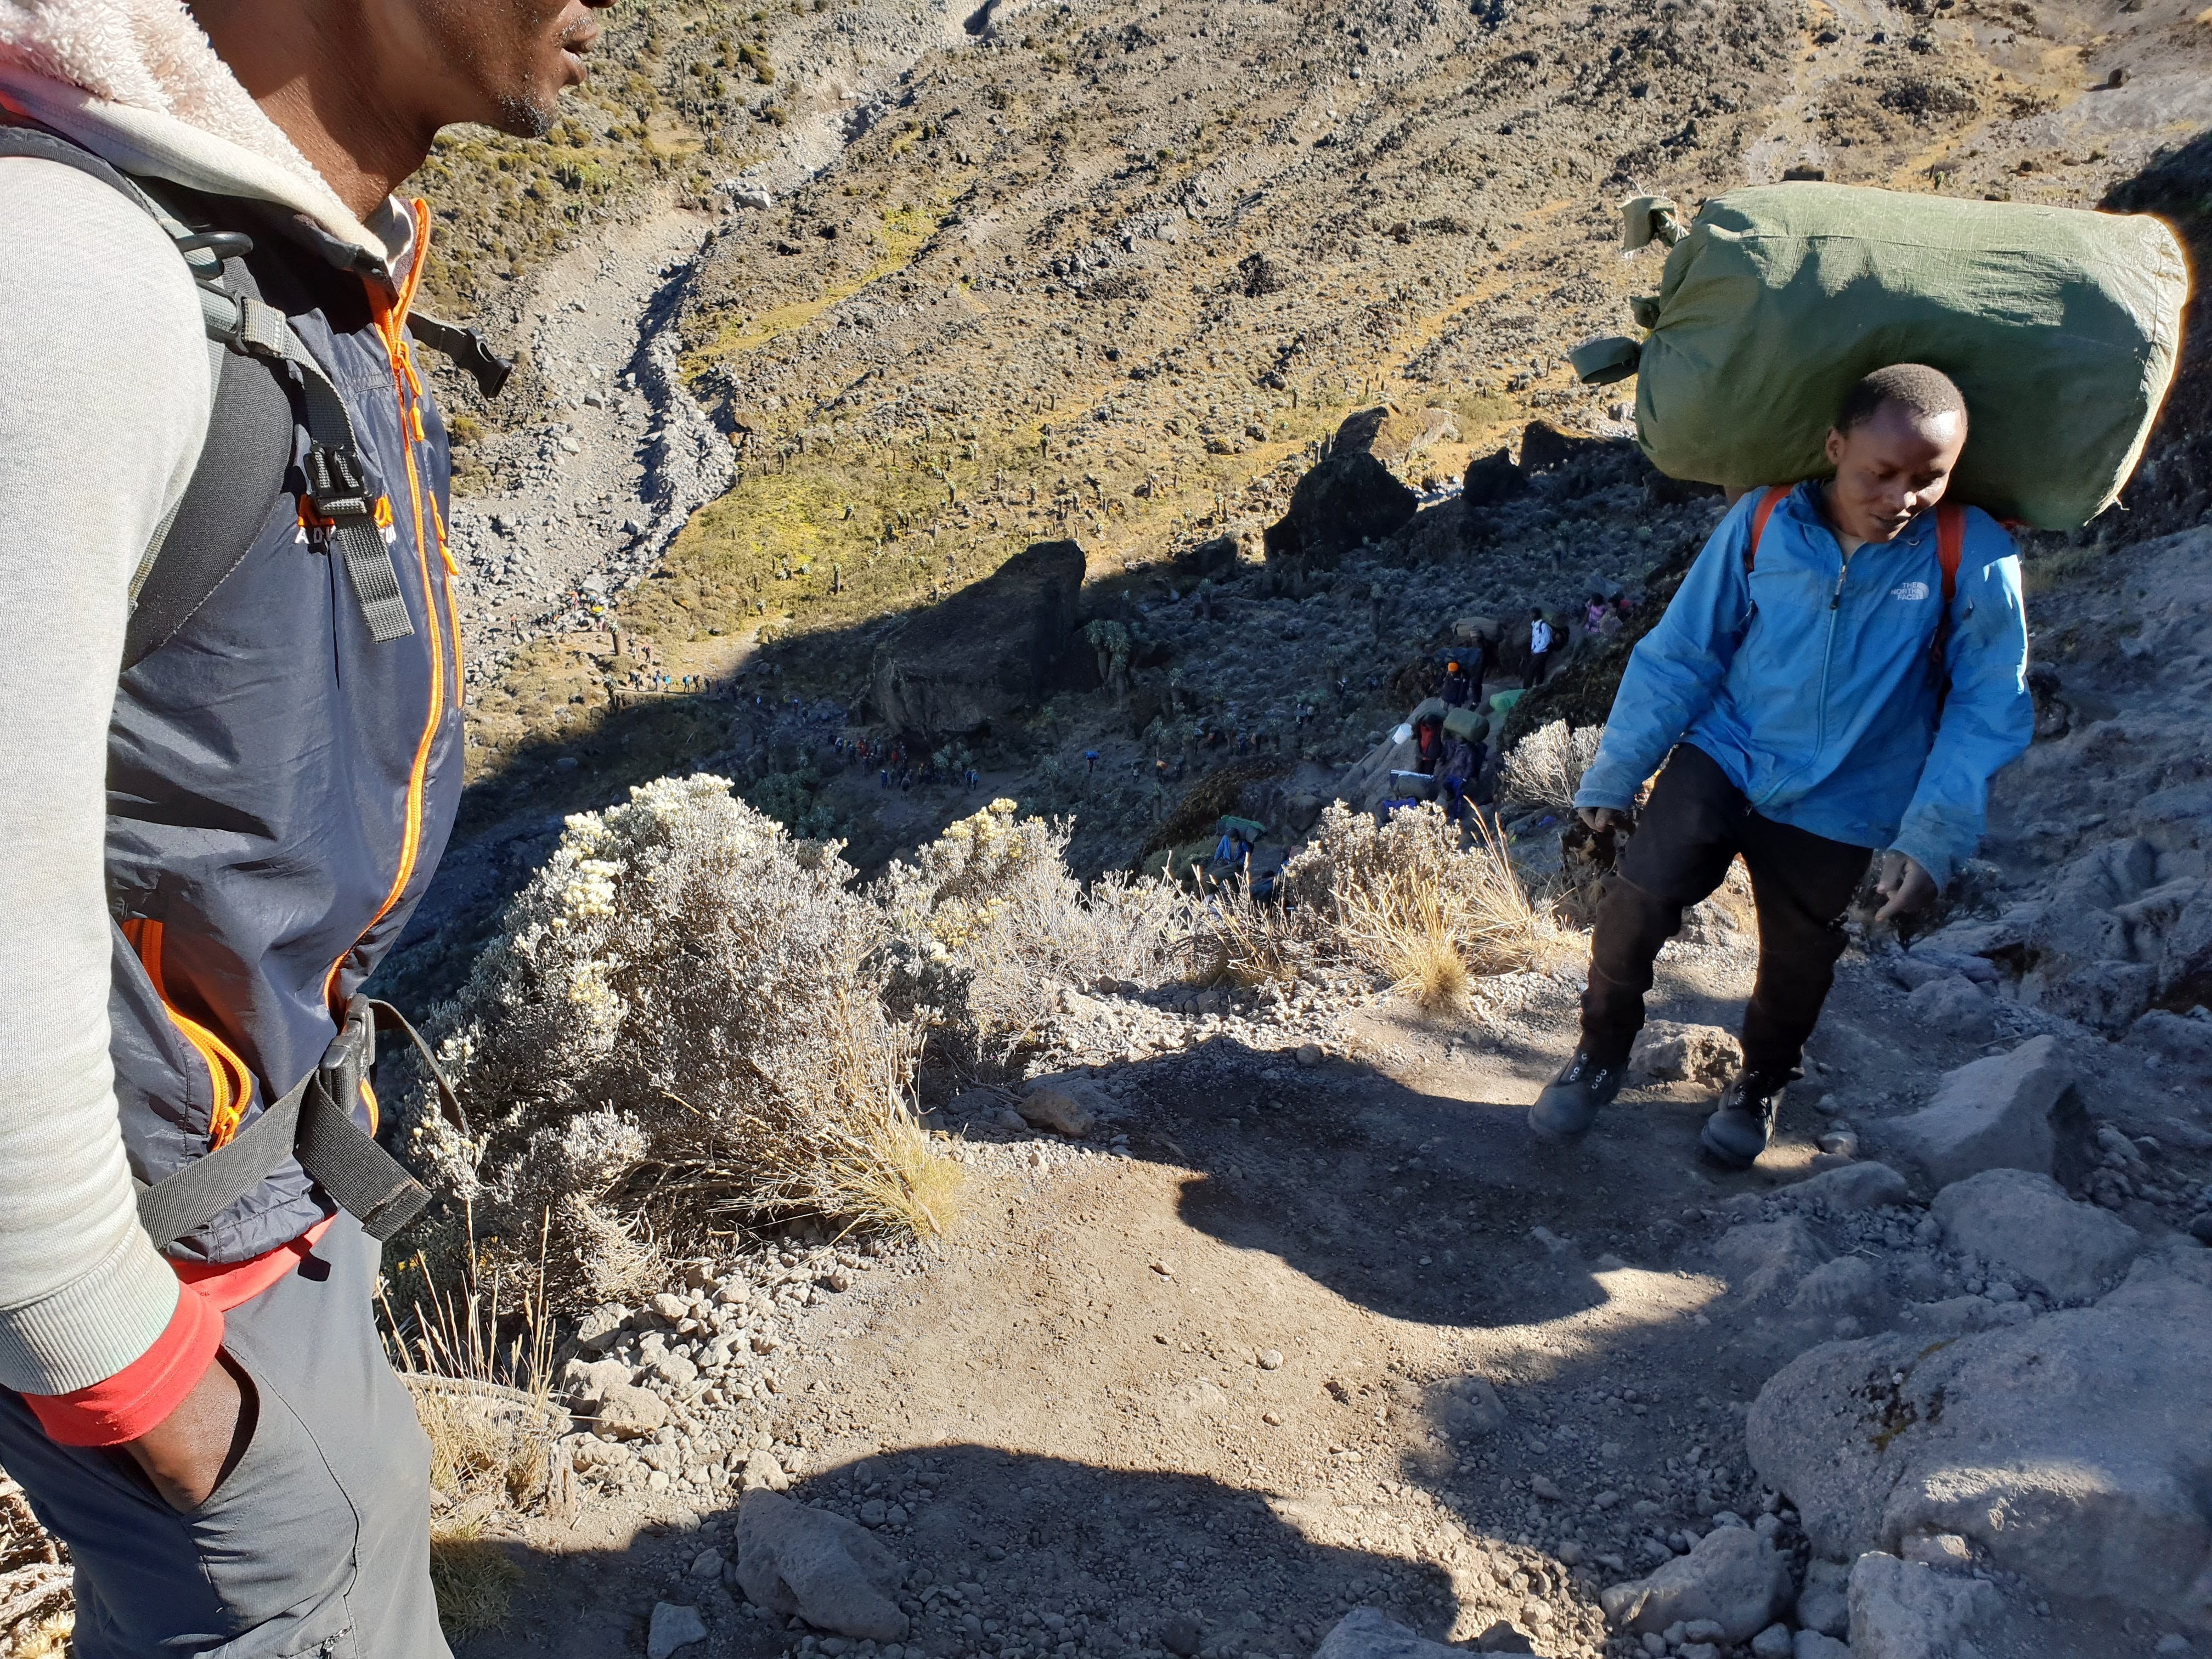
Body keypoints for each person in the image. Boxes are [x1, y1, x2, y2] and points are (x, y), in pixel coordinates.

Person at [0, 1, 618, 1649]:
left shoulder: (258, 260)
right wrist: (137, 1375)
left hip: (246, 1220)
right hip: (165, 1289)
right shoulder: (74, 280)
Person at [1528, 365, 2032, 1166]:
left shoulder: (1967, 553)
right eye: (1881, 473)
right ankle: (1598, 1054)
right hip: (1726, 754)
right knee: (1637, 906)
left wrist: (1931, 834)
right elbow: (1683, 654)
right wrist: (1613, 775)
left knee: (1799, 962)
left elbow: (1987, 707)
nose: (1902, 498)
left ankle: (1760, 1084)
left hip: (1848, 794)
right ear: (1836, 448)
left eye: (1928, 479)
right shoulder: (1766, 521)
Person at [1525, 608, 1554, 687]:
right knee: (1540, 669)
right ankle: (1539, 685)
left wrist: (1536, 651)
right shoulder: (1534, 624)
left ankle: (1526, 689)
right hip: (1537, 650)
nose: (1530, 615)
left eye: (1532, 614)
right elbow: (1535, 639)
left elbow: (1546, 641)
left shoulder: (1544, 626)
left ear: (1536, 615)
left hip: (1543, 651)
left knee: (1530, 670)